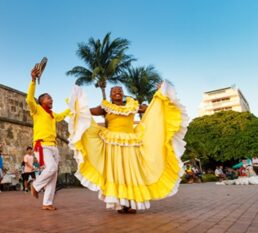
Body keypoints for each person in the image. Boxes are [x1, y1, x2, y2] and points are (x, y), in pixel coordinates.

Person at [68, 83, 188, 213]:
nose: (117, 92)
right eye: (114, 91)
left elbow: (152, 109)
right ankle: (121, 204)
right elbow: (87, 112)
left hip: (131, 141)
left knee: (131, 171)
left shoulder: (133, 105)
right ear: (110, 95)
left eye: (119, 90)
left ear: (123, 93)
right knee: (118, 172)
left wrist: (160, 94)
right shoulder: (105, 107)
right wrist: (77, 106)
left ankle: (131, 204)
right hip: (112, 143)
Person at [27, 66, 70, 211]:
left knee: (53, 175)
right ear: (41, 101)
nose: (51, 99)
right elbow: (29, 99)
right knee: (51, 168)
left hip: (53, 146)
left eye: (51, 97)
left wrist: (73, 106)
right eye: (48, 97)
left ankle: (47, 203)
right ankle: (35, 185)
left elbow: (63, 115)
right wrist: (33, 80)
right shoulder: (37, 110)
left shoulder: (52, 114)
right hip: (41, 145)